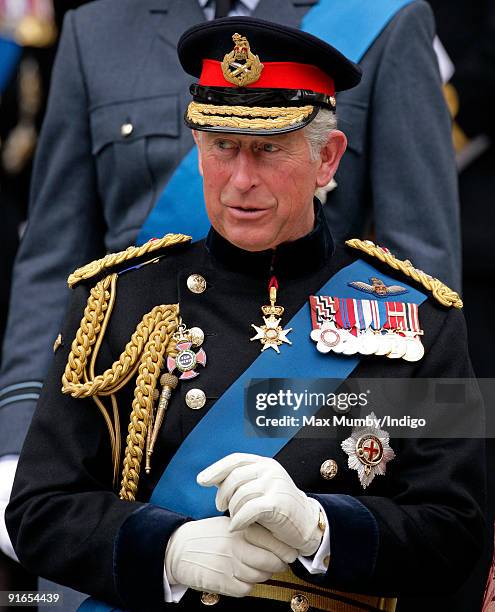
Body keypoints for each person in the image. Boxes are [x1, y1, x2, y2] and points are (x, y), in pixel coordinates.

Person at [6, 17, 484, 612]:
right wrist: (168, 549)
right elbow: (39, 510)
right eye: (222, 147)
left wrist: (322, 529)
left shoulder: (421, 320)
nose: (240, 180)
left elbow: (457, 531)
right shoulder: (117, 304)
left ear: (327, 160)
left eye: (267, 150)